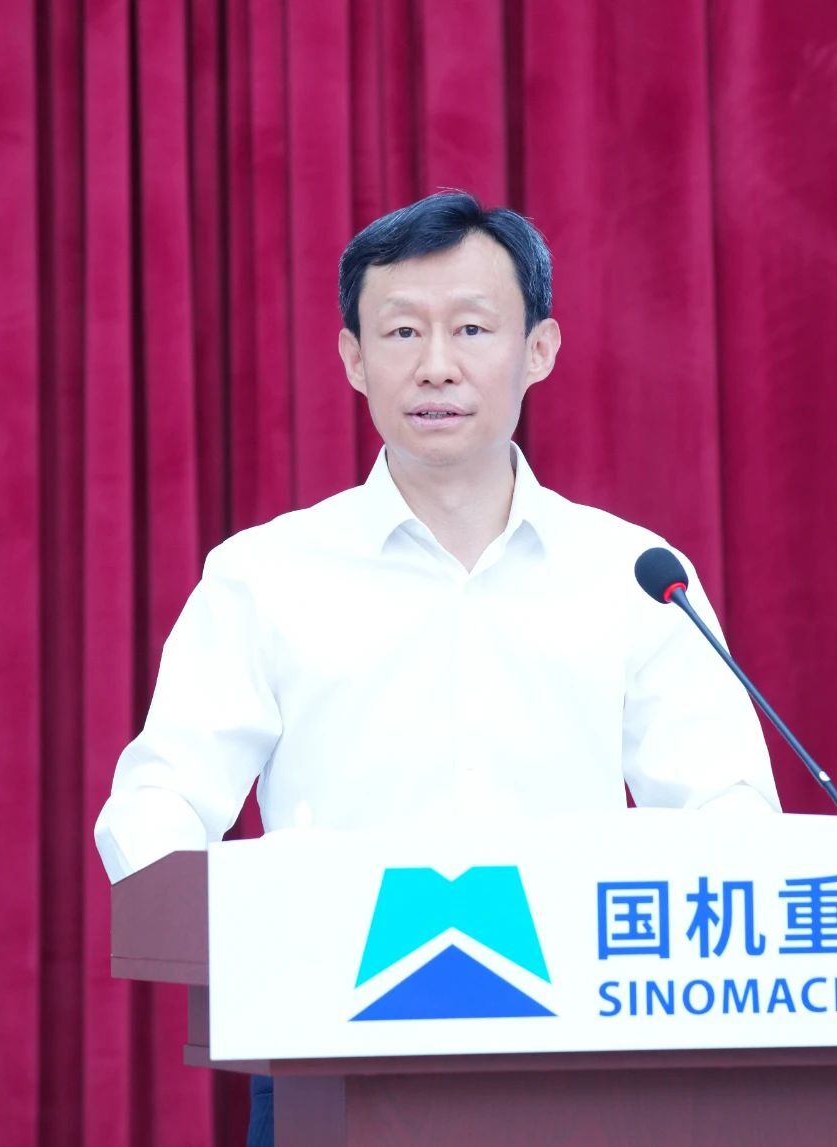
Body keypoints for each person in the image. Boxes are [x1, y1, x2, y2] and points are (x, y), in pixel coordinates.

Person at [94, 191, 780, 1146]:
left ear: (539, 349)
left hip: (585, 1057)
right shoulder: (264, 574)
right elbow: (157, 799)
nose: (437, 365)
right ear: (353, 359)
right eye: (402, 331)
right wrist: (254, 919)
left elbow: (729, 807)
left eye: (472, 328)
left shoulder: (632, 573)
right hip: (329, 1052)